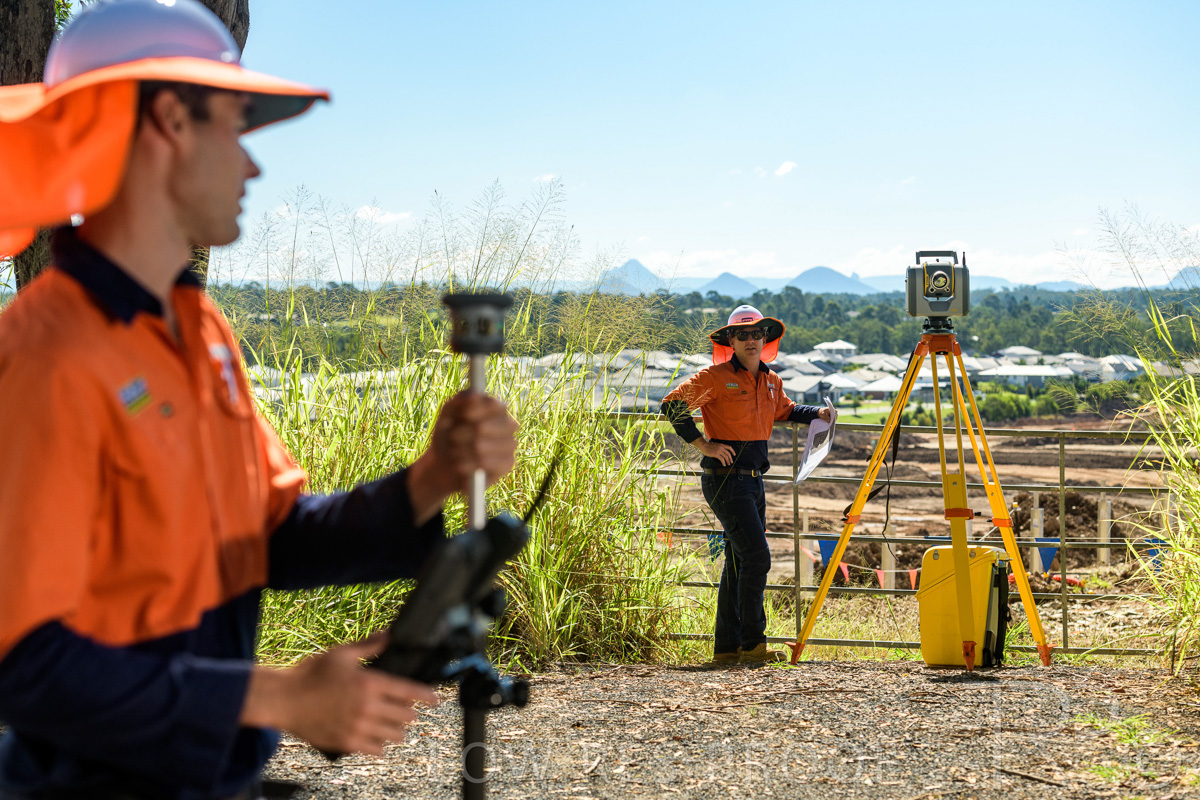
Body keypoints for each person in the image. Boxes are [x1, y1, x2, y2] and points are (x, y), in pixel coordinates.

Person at [0, 1, 518, 798]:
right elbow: (24, 664)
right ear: (171, 122)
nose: (251, 167)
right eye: (235, 128)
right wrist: (276, 696)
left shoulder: (198, 330)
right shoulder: (50, 352)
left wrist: (431, 478)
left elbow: (264, 535)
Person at [662, 305, 832, 666]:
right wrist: (704, 445)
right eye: (742, 334)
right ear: (731, 340)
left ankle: (727, 648)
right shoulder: (714, 377)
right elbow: (672, 405)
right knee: (757, 557)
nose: (750, 340)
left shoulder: (772, 381)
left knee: (739, 562)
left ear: (765, 337)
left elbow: (786, 410)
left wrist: (818, 413)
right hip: (726, 482)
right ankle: (754, 646)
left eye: (756, 333)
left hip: (754, 481)